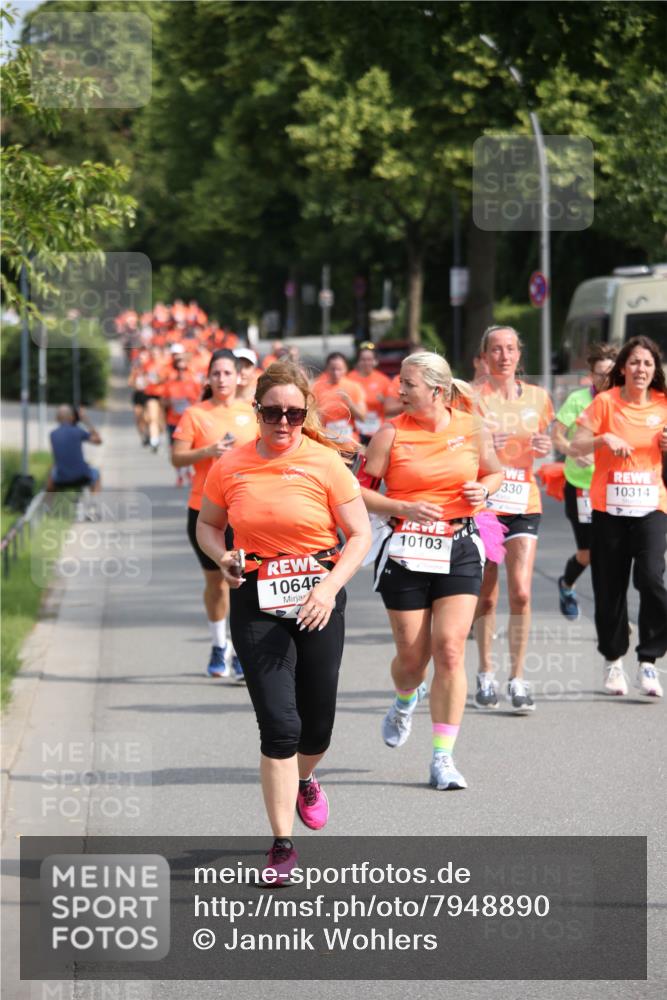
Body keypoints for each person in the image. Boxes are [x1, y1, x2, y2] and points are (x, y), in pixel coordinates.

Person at [197, 361, 371, 880]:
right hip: (257, 597)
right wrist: (223, 558)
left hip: (319, 595)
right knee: (279, 725)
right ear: (257, 411)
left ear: (305, 413)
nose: (283, 422)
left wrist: (329, 587)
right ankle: (281, 845)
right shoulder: (231, 464)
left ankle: (304, 779)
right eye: (272, 412)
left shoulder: (325, 462)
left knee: (316, 728)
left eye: (293, 413)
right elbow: (209, 525)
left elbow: (360, 535)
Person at [360, 352, 502, 790]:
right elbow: (358, 493)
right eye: (400, 383)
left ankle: (443, 757)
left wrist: (484, 490)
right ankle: (405, 698)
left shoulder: (472, 428)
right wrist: (402, 507)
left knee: (451, 649)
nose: (399, 390)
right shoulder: (390, 434)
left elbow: (495, 473)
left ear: (437, 391)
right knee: (412, 661)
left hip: (459, 546)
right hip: (406, 551)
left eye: (409, 384)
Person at [570, 335, 667, 698]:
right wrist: (603, 440)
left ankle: (648, 661)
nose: (641, 369)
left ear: (655, 370)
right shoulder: (605, 403)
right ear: (623, 368)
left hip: (652, 505)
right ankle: (613, 660)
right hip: (608, 508)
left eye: (648, 363)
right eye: (635, 362)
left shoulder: (664, 403)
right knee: (609, 586)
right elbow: (575, 446)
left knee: (652, 578)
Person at [471, 326, 554, 713]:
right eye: (496, 349)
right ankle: (485, 671)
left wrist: (545, 445)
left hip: (524, 500)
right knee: (487, 595)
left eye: (510, 349)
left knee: (521, 592)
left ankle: (517, 677)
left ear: (519, 354)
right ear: (484, 356)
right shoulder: (473, 399)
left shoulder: (538, 397)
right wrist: (485, 446)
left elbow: (546, 442)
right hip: (487, 505)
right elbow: (459, 447)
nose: (503, 356)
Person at [172, 350, 257, 680]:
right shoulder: (195, 414)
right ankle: (219, 645)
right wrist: (208, 451)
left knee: (242, 582)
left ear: (239, 377)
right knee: (217, 583)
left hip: (245, 511)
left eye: (227, 373)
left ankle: (241, 651)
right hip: (205, 512)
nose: (222, 379)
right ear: (208, 378)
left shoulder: (252, 412)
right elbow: (177, 458)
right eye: (216, 373)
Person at [551, 343, 617, 619]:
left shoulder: (622, 400)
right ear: (591, 375)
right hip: (581, 488)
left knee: (613, 554)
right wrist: (573, 452)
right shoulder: (578, 400)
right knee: (588, 554)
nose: (606, 379)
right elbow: (557, 436)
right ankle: (566, 585)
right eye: (600, 374)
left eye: (611, 373)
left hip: (615, 487)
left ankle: (613, 618)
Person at [160, 347, 201, 487]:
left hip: (189, 422)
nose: (181, 371)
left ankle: (188, 471)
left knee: (189, 448)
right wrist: (170, 402)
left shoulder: (193, 382)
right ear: (175, 369)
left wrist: (190, 401)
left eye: (183, 369)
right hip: (173, 421)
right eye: (178, 369)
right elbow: (163, 401)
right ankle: (179, 475)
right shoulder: (170, 383)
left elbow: (201, 401)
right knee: (175, 450)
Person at [311, 352, 367, 444]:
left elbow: (362, 417)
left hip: (349, 441)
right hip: (326, 440)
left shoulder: (354, 387)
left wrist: (349, 402)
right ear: (327, 369)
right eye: (332, 369)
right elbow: (311, 417)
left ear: (346, 369)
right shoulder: (316, 387)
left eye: (339, 369)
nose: (336, 373)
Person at [48, 405, 102, 493]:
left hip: (61, 479)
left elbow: (56, 459)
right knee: (96, 473)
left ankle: (48, 499)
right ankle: (94, 498)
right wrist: (85, 420)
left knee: (52, 473)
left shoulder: (53, 434)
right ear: (72, 417)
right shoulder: (78, 431)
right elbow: (98, 440)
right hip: (82, 477)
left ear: (57, 418)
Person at [347, 342, 392, 444]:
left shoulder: (383, 380)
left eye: (370, 359)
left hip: (378, 430)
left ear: (375, 361)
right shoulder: (349, 378)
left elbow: (392, 406)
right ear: (358, 361)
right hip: (355, 431)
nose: (366, 363)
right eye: (363, 359)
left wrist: (384, 401)